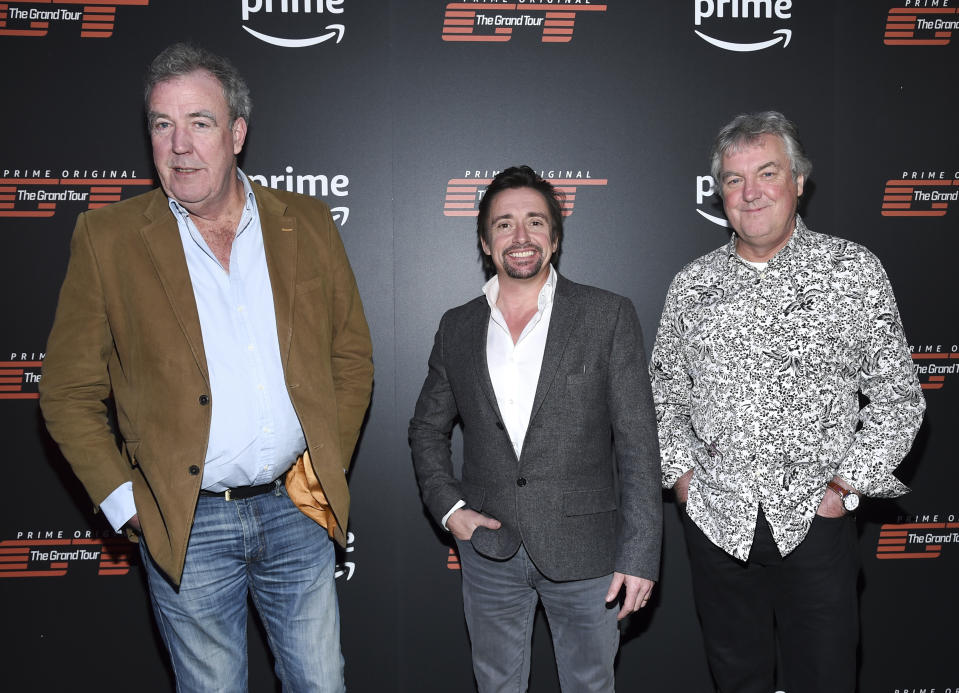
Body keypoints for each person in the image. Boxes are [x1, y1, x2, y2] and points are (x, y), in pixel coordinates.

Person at [39, 43, 373, 692]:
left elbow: (350, 355)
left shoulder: (304, 222)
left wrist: (323, 455)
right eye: (162, 125)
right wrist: (129, 503)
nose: (179, 145)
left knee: (322, 684)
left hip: (296, 508)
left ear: (237, 133)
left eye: (199, 122)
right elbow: (67, 392)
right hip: (186, 525)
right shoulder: (106, 240)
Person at [649, 111, 925, 693]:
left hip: (817, 527)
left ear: (798, 182)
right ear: (719, 191)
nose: (750, 193)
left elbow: (899, 397)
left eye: (767, 173)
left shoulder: (852, 272)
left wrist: (845, 486)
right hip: (718, 524)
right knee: (736, 681)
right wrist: (683, 483)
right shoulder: (691, 286)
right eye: (733, 179)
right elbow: (662, 397)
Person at [409, 165, 662, 692]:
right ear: (484, 240)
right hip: (489, 551)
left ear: (555, 235)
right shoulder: (457, 326)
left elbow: (638, 445)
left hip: (588, 553)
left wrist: (640, 555)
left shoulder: (607, 315)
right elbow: (427, 428)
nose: (520, 238)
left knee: (591, 685)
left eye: (534, 222)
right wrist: (451, 510)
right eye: (504, 225)